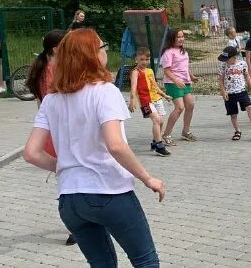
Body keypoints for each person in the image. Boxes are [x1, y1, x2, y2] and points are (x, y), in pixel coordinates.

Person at [23, 28, 165, 267]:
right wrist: (147, 178)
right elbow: (115, 145)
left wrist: (64, 166)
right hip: (109, 191)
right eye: (102, 46)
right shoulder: (105, 91)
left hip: (70, 200)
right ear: (91, 54)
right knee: (145, 261)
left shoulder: (51, 99)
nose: (105, 51)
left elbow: (31, 153)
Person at [26, 29, 76, 246]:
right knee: (70, 181)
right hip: (64, 133)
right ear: (57, 49)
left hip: (50, 132)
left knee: (66, 179)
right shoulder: (54, 70)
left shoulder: (40, 69)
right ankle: (75, 226)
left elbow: (42, 108)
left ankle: (76, 223)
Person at [129, 47, 172, 157]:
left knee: (160, 121)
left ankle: (154, 142)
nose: (144, 62)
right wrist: (132, 99)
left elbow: (155, 86)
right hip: (145, 101)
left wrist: (164, 95)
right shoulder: (135, 72)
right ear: (136, 59)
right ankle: (159, 145)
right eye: (142, 59)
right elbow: (133, 86)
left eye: (146, 60)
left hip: (156, 99)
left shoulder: (150, 71)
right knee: (157, 120)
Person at [160, 29, 199, 145]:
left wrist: (191, 76)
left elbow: (185, 67)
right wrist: (176, 80)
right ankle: (166, 134)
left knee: (190, 105)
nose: (181, 39)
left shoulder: (183, 52)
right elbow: (166, 71)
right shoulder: (168, 53)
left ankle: (185, 132)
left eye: (182, 37)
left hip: (185, 82)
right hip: (172, 83)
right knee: (179, 108)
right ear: (172, 39)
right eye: (178, 37)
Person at [218, 46, 251, 141]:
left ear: (234, 57)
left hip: (242, 91)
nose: (225, 61)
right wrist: (223, 91)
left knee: (249, 107)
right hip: (229, 93)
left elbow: (247, 76)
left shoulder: (242, 64)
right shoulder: (223, 65)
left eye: (227, 59)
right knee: (233, 114)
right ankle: (237, 131)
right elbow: (221, 80)